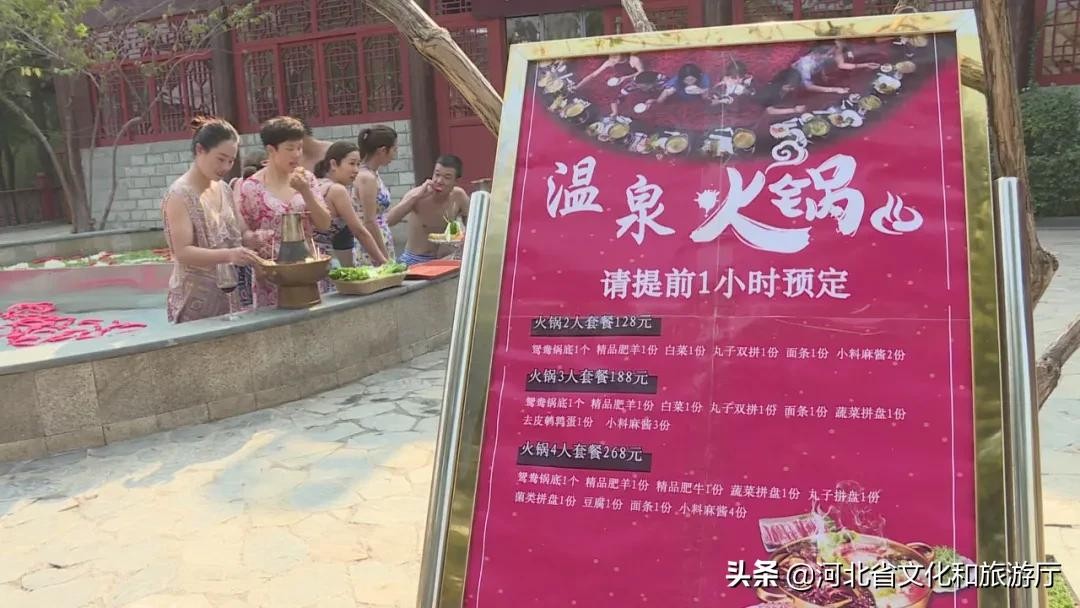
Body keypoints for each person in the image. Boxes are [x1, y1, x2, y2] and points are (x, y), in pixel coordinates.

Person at [162, 116, 266, 323]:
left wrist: (253, 238)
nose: (226, 166)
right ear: (200, 150)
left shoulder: (224, 189)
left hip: (229, 294)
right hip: (194, 299)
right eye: (220, 159)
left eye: (231, 160)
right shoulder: (179, 195)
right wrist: (229, 255)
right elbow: (182, 252)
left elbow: (240, 233)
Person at [237, 116, 332, 308]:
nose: (296, 154)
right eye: (290, 149)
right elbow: (243, 234)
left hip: (306, 269)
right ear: (271, 150)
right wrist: (253, 243)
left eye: (299, 148)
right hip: (271, 275)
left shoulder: (307, 179)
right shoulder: (251, 187)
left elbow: (324, 224)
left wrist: (305, 192)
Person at [312, 141, 390, 268]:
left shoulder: (317, 183)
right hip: (318, 259)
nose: (356, 170)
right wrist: (385, 263)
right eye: (352, 163)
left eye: (358, 164)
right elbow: (359, 231)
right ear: (333, 164)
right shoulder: (337, 190)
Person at [387, 155, 469, 266]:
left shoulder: (459, 196)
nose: (439, 181)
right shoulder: (418, 195)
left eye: (447, 177)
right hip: (414, 259)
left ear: (456, 181)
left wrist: (463, 240)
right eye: (437, 174)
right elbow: (389, 221)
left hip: (443, 259)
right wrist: (415, 198)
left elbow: (472, 226)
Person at [353, 125, 399, 266]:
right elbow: (369, 221)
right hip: (373, 245)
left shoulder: (372, 173)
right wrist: (383, 256)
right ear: (382, 150)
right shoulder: (367, 178)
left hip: (380, 238)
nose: (395, 154)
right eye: (394, 149)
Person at [791, 40, 880, 95]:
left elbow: (828, 64)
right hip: (797, 83)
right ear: (817, 54)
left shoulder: (820, 56)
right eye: (829, 54)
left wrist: (866, 65)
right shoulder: (805, 65)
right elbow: (808, 87)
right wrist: (834, 90)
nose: (831, 56)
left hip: (814, 76)